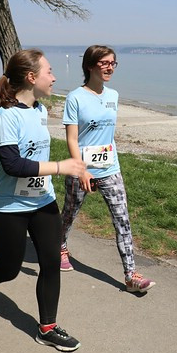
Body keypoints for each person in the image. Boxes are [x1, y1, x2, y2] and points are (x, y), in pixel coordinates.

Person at [0, 49, 88, 352]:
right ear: (32, 77)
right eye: (49, 71)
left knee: (51, 263)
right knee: (8, 269)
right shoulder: (5, 115)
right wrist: (61, 167)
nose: (55, 77)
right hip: (9, 207)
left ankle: (47, 327)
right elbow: (13, 165)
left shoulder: (40, 111)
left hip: (43, 201)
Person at [58, 45, 155, 293]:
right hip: (82, 170)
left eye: (113, 62)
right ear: (90, 66)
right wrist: (80, 170)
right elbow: (71, 138)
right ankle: (60, 246)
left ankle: (131, 275)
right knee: (69, 214)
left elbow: (108, 134)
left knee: (122, 220)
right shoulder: (75, 98)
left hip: (111, 168)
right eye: (104, 63)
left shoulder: (113, 96)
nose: (110, 66)